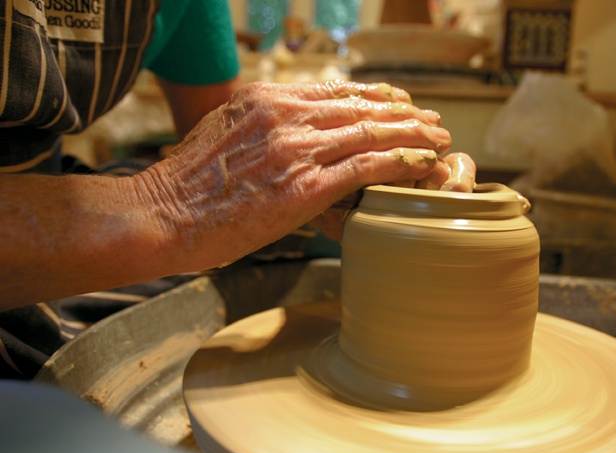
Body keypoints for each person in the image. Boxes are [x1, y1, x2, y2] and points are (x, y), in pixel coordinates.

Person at [0, 0, 476, 378]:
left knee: (321, 244)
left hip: (50, 183)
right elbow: (189, 198)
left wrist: (354, 187)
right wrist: (165, 205)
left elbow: (225, 151)